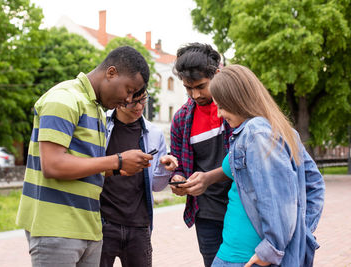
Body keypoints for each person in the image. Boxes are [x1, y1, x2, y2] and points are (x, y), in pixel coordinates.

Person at [16, 46, 154, 267]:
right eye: (128, 90)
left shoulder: (96, 109)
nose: (128, 100)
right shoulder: (64, 98)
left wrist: (120, 168)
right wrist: (117, 160)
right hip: (56, 228)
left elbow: (86, 167)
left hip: (89, 228)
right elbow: (52, 165)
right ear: (111, 72)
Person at [181, 64, 325, 266]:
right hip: (243, 252)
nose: (220, 114)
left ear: (238, 101)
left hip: (243, 256)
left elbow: (276, 199)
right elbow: (315, 184)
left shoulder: (255, 133)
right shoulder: (277, 129)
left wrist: (273, 248)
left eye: (221, 106)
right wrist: (299, 233)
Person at [169, 43, 233, 267]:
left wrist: (209, 178)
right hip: (206, 214)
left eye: (200, 86)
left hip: (241, 207)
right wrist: (177, 179)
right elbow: (178, 165)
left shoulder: (236, 108)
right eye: (188, 88)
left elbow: (246, 161)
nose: (195, 94)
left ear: (217, 73)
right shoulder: (180, 119)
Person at [100, 90, 178, 267]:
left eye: (143, 100)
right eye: (134, 102)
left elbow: (156, 186)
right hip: (103, 223)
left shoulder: (154, 133)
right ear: (120, 100)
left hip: (139, 226)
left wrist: (164, 167)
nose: (140, 106)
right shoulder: (100, 125)